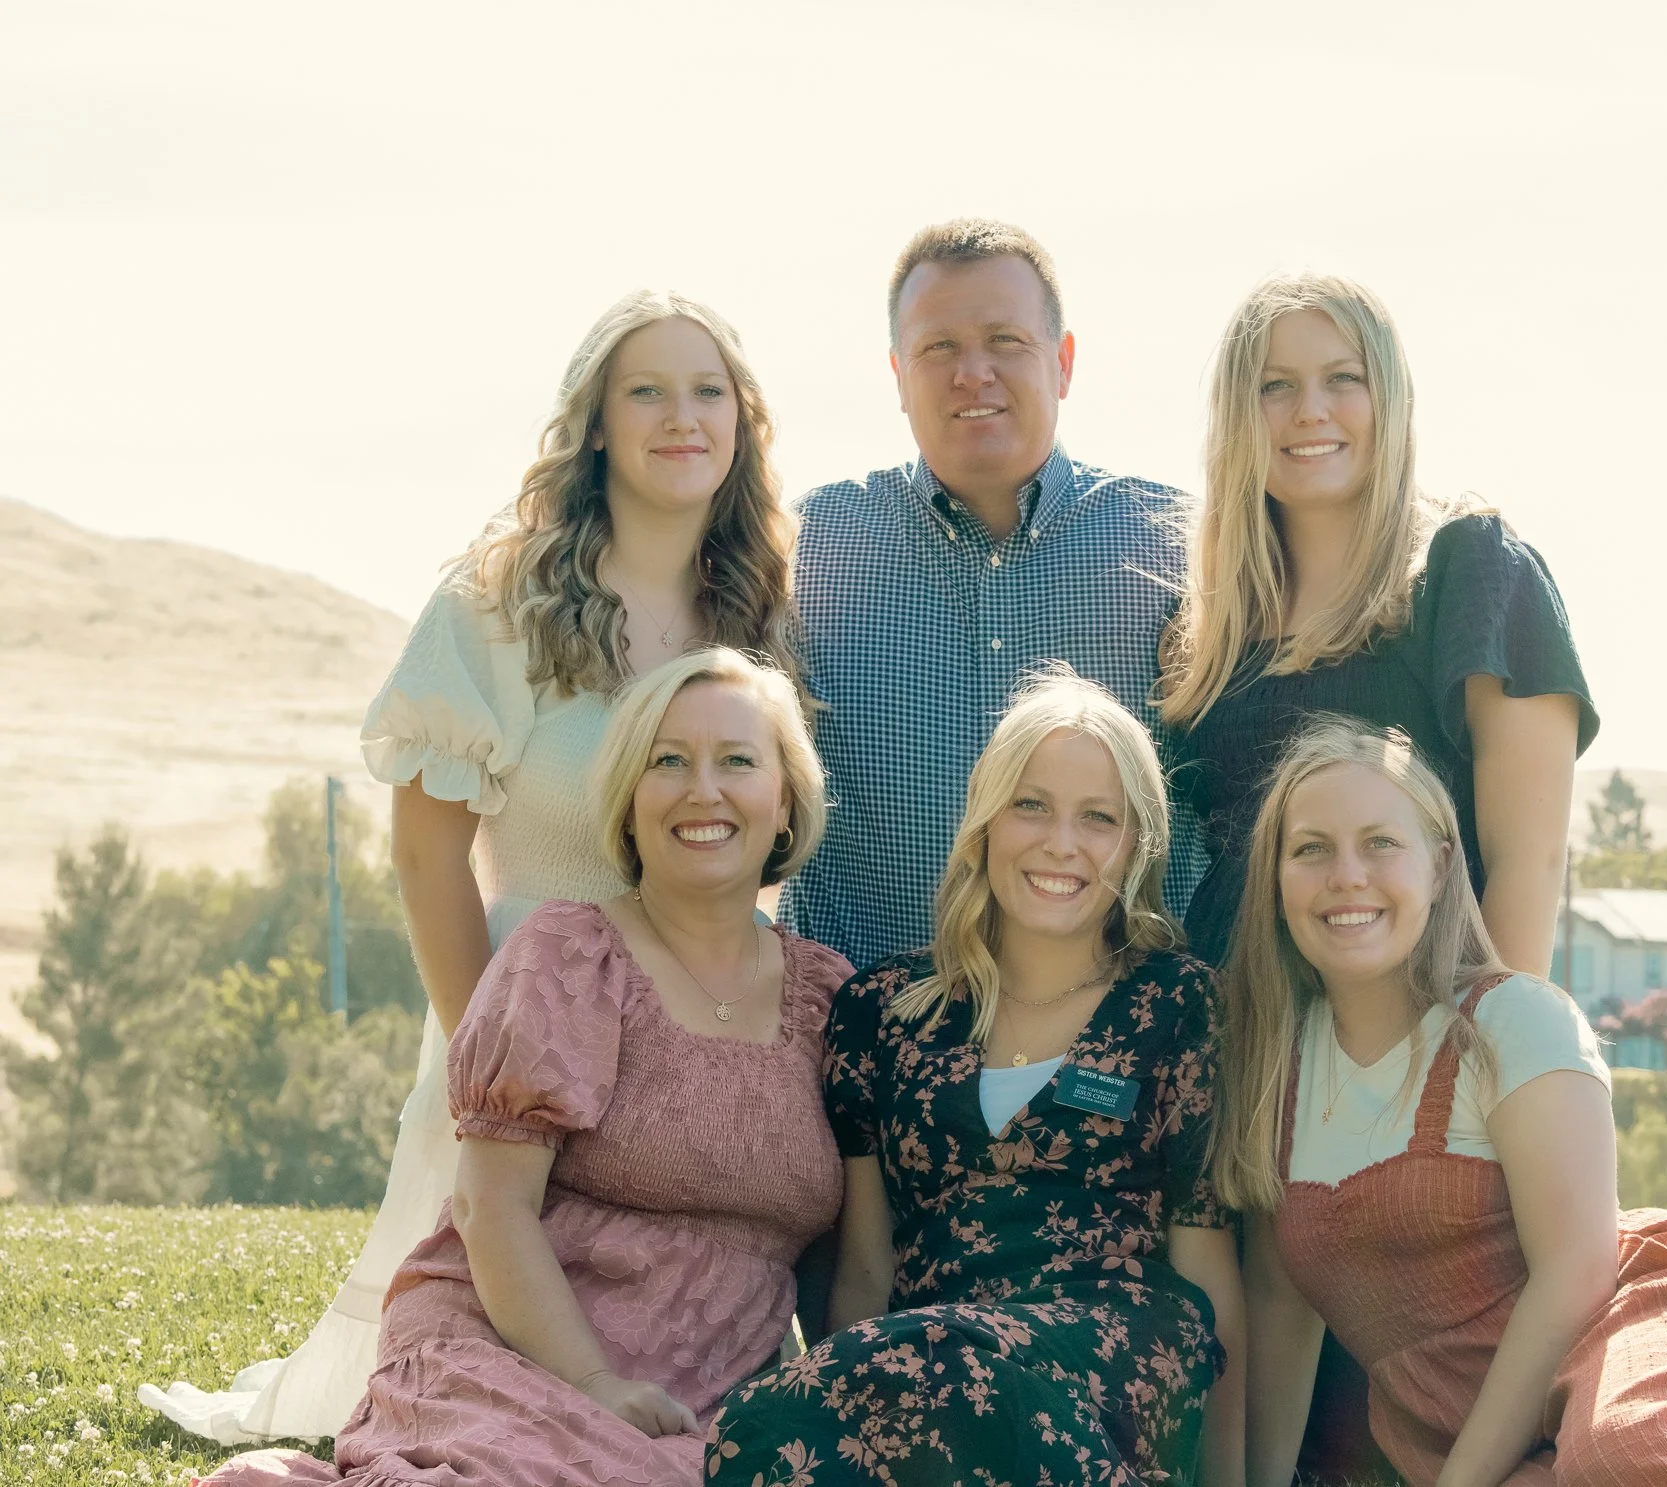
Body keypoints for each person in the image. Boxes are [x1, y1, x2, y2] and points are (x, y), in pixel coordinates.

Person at [142, 290, 798, 1444]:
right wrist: (483, 1056)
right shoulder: (500, 602)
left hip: (688, 1020)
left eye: (708, 392)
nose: (680, 417)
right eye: (645, 390)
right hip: (519, 1006)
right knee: (478, 1322)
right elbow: (423, 846)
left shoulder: (758, 611)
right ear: (595, 422)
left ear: (742, 423)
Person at [196, 648, 850, 1487]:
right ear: (628, 800)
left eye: (737, 761)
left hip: (713, 1404)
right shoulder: (569, 957)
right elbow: (488, 1204)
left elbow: (844, 1260)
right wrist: (595, 1384)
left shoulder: (830, 1000)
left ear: (785, 799)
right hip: (517, 1355)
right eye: (668, 761)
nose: (702, 789)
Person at [1215, 718, 1667, 1487]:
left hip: (1640, 1330)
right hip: (1469, 1425)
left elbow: (1578, 1270)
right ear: (1276, 880)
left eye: (1380, 842)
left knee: (1616, 1457)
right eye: (1311, 848)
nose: (1347, 874)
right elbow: (1279, 1305)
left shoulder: (1514, 1021)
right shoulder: (1272, 1065)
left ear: (1440, 867)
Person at [708, 671, 1245, 1487]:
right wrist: (840, 1408)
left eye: (1098, 817)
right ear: (985, 821)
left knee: (963, 1371)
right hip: (931, 1373)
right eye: (1031, 805)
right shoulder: (882, 1011)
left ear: (1137, 843)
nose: (1061, 842)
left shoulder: (1180, 1004)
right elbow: (866, 1266)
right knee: (756, 1428)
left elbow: (1208, 1266)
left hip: (1114, 1354)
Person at [778, 217, 1201, 972]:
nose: (973, 372)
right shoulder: (809, 546)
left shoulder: (1175, 545)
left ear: (1063, 363)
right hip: (861, 1023)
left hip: (1120, 1025)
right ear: (898, 374)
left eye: (1005, 340)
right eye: (939, 347)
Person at [1161, 272, 1596, 978]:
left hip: (1415, 1021)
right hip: (1229, 1024)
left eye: (1343, 378)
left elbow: (1530, 860)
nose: (1310, 411)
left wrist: (1492, 1036)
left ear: (1389, 398)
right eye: (1275, 386)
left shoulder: (1471, 571)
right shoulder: (1210, 625)